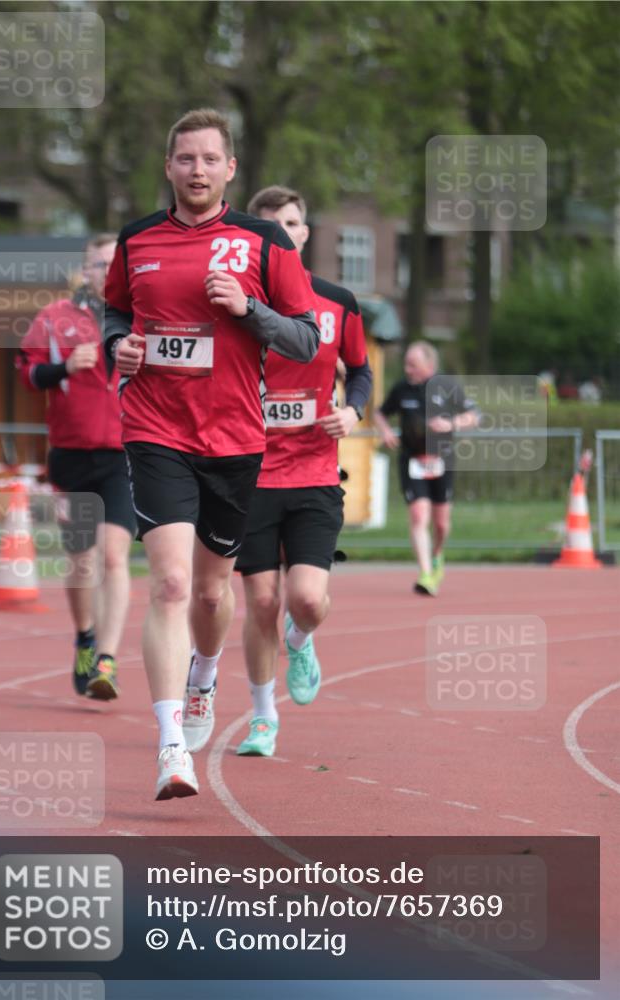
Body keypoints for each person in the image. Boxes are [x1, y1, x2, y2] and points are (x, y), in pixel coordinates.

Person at [103, 110, 319, 800]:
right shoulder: (137, 239)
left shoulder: (263, 241)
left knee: (209, 592)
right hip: (155, 428)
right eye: (184, 158)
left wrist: (248, 310)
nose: (196, 170)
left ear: (230, 169)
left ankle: (204, 673)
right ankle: (172, 748)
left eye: (208, 159)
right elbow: (114, 312)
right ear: (167, 167)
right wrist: (117, 347)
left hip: (233, 438)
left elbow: (305, 340)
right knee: (169, 584)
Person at [230, 185, 372, 758]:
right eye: (267, 227)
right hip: (251, 476)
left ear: (305, 233)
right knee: (261, 602)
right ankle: (263, 718)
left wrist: (353, 410)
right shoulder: (234, 304)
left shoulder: (338, 302)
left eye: (289, 224)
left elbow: (360, 370)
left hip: (314, 474)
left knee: (306, 600)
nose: (279, 236)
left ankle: (300, 638)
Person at [17, 234, 135, 699]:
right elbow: (27, 373)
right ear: (85, 271)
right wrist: (63, 367)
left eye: (113, 264)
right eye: (98, 264)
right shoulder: (54, 318)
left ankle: (107, 658)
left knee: (113, 556)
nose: (106, 272)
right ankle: (85, 637)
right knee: (83, 561)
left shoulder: (142, 319)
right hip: (71, 455)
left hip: (125, 455)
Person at [373, 342, 478, 596]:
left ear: (429, 366)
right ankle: (426, 574)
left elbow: (474, 416)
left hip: (442, 460)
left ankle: (437, 554)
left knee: (441, 524)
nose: (407, 369)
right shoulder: (401, 389)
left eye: (413, 365)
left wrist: (451, 423)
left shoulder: (447, 386)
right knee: (419, 516)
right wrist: (385, 431)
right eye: (406, 364)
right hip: (412, 460)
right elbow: (379, 413)